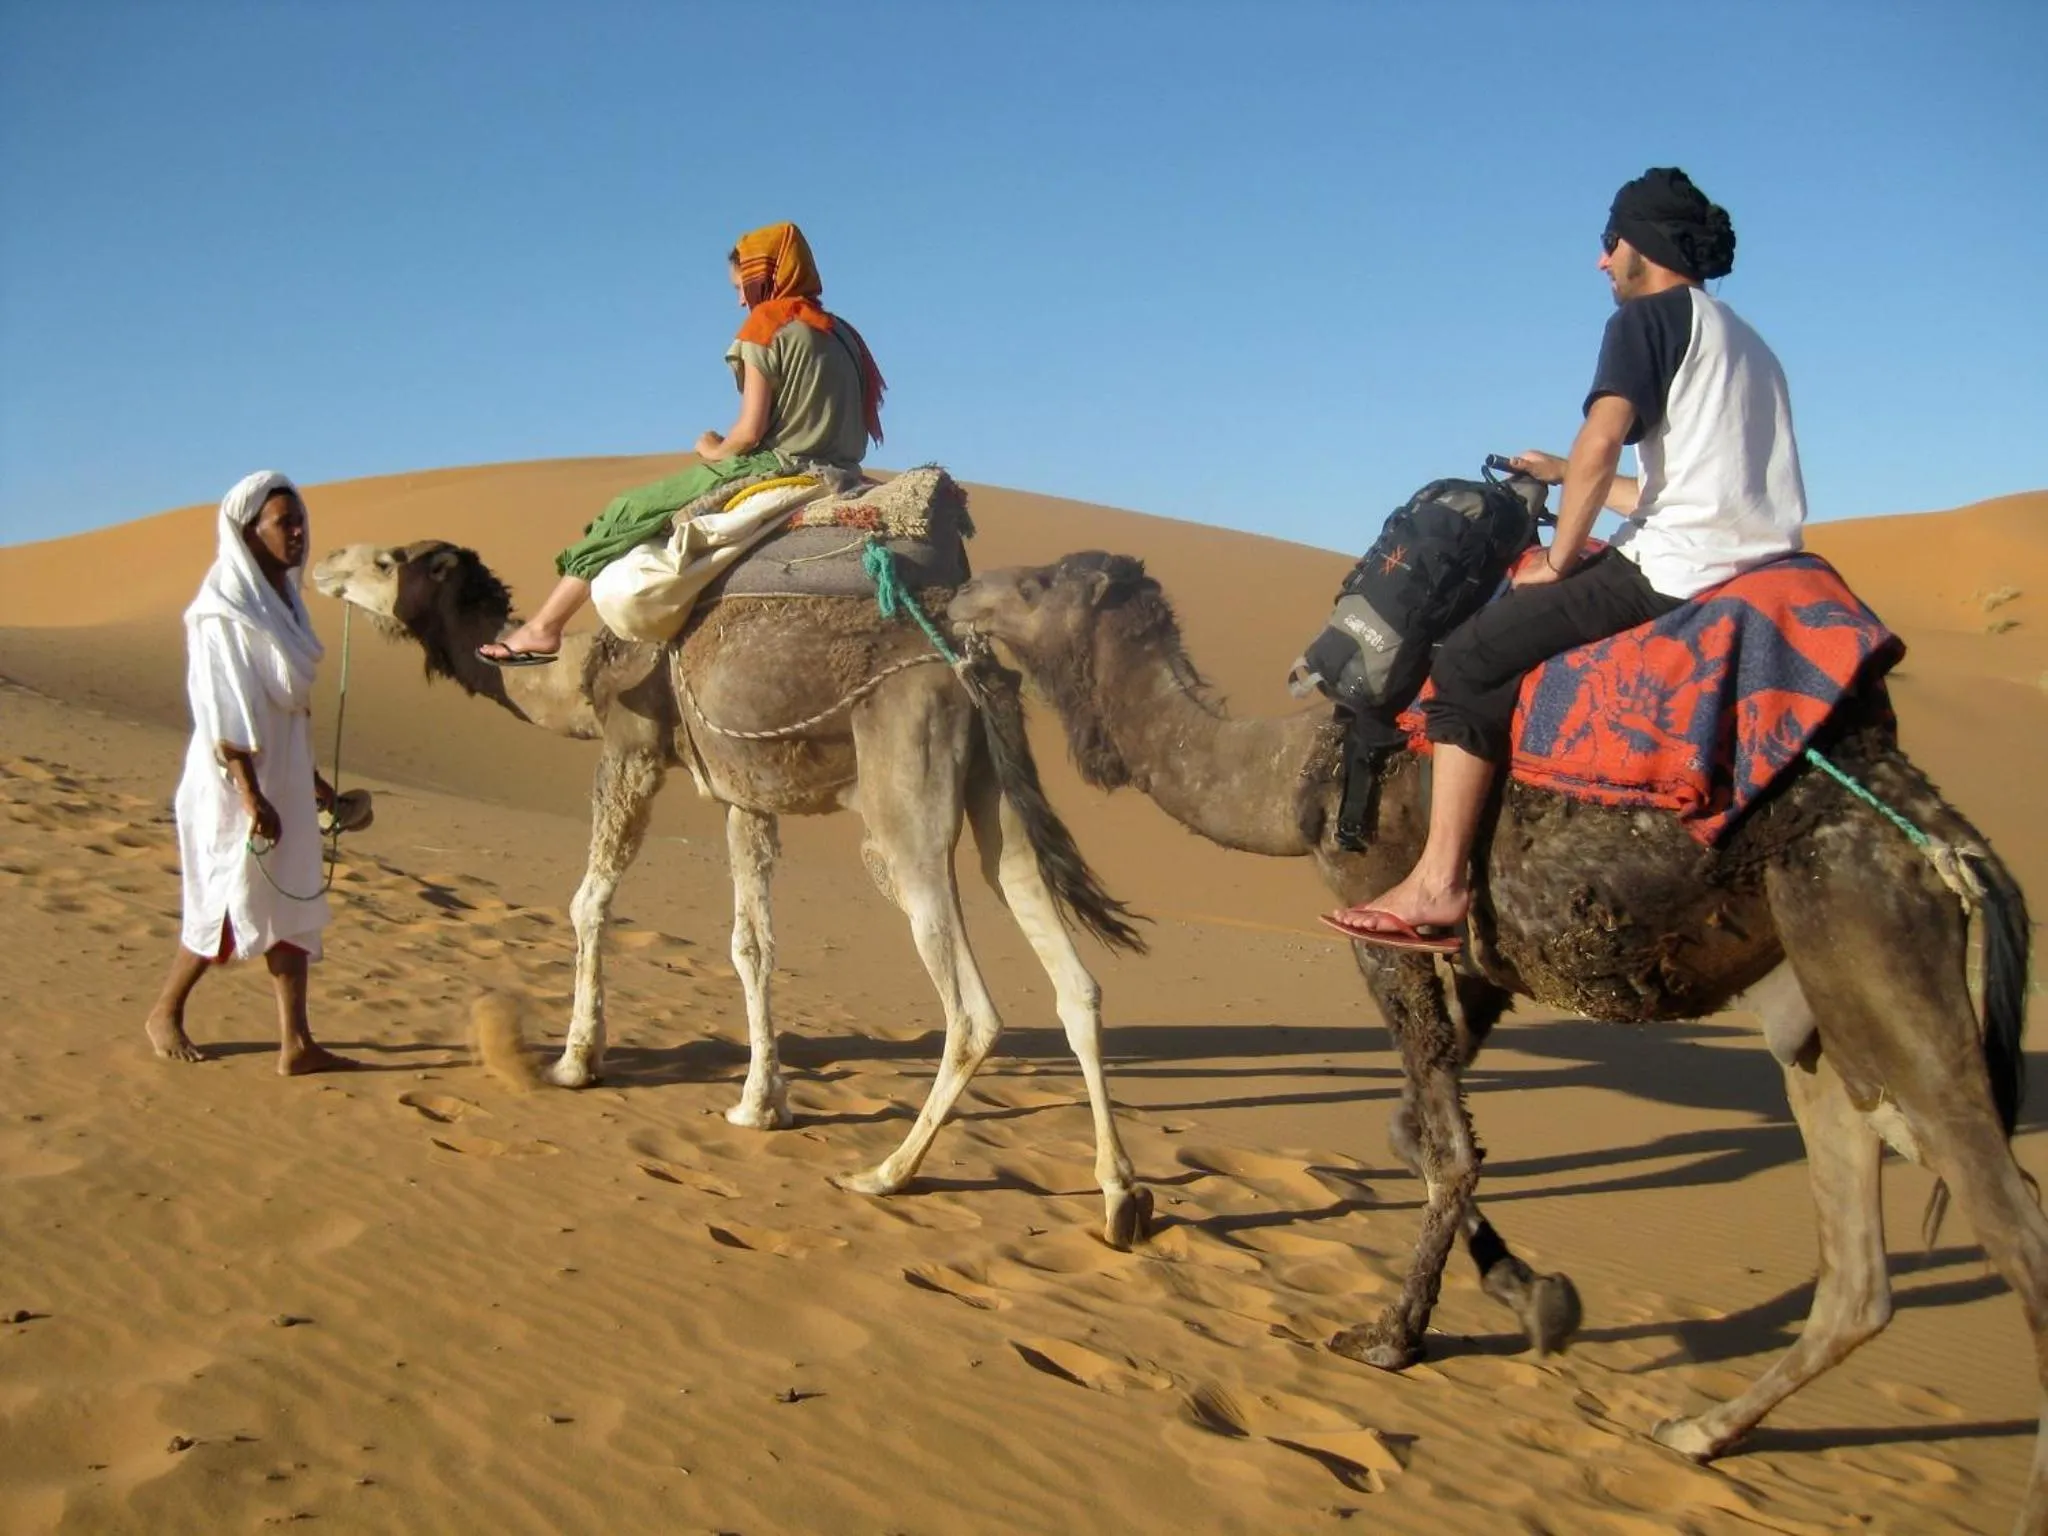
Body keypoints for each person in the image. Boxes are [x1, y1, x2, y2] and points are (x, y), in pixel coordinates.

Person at [1323, 166, 1807, 951]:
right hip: (1753, 561)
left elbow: (1603, 437)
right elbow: (1681, 486)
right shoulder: (1745, 342)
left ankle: (1438, 884)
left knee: (1474, 659)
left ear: (1639, 246)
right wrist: (1559, 474)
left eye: (1608, 242)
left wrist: (1563, 552)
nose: (1601, 262)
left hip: (1677, 569)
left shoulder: (1646, 318)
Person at [480, 220, 886, 665]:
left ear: (765, 277)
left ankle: (543, 628)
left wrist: (710, 447)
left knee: (627, 511)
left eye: (742, 285)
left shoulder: (766, 325)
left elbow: (749, 433)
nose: (739, 298)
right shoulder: (844, 334)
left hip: (779, 466)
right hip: (843, 470)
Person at [143, 470, 361, 1074]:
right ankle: (165, 1011)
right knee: (227, 897)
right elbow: (223, 709)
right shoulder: (221, 611)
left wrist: (318, 790)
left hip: (281, 776)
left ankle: (297, 1043)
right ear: (248, 531)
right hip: (232, 781)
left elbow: (289, 711)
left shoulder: (285, 605)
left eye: (300, 522)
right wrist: (250, 794)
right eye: (283, 523)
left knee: (291, 903)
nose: (297, 533)